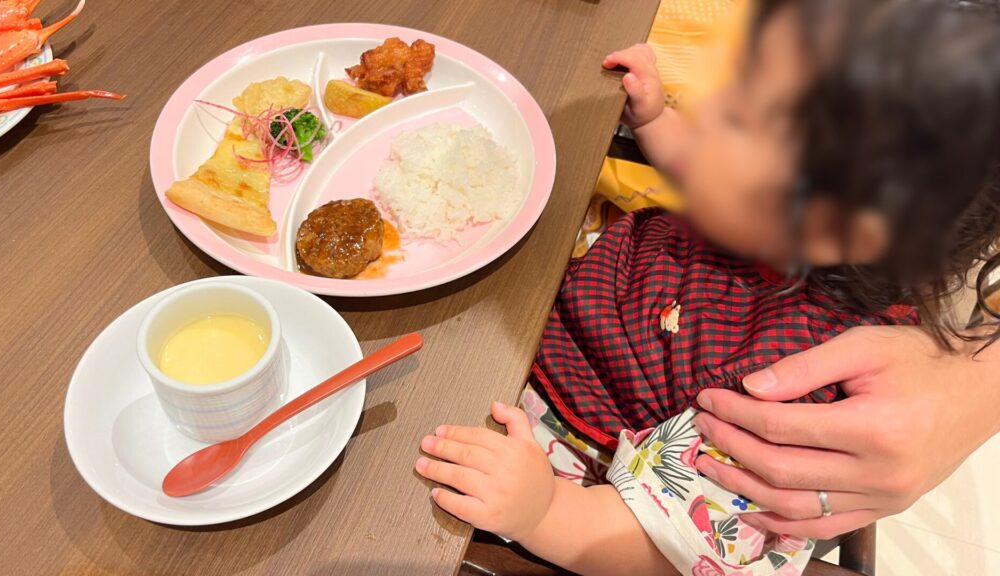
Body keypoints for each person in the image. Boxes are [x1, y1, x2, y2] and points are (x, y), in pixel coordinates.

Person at [416, 0, 1000, 574]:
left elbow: (665, 542)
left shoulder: (794, 386)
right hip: (561, 300)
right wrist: (655, 122)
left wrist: (542, 512)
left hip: (554, 445)